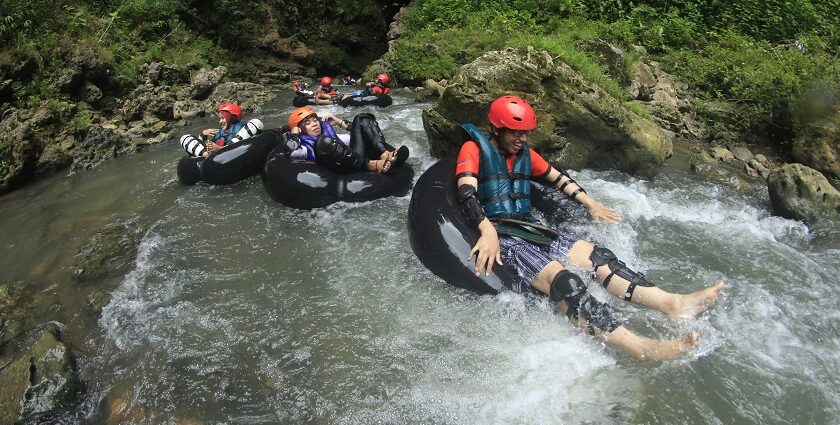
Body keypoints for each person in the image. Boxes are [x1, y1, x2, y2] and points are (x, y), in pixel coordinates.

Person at [455, 95, 725, 361]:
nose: (522, 139)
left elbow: (559, 179)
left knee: (599, 257)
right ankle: (640, 348)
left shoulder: (526, 154)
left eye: (526, 133)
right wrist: (487, 230)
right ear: (497, 129)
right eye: (516, 133)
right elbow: (466, 193)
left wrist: (591, 203)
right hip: (503, 236)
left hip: (529, 227)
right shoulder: (474, 150)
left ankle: (673, 304)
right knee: (565, 282)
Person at [284, 106, 409, 174]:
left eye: (315, 120)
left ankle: (384, 154)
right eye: (308, 123)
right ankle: (373, 165)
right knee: (325, 142)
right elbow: (293, 153)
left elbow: (355, 136)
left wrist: (340, 122)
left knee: (361, 118)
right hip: (339, 169)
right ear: (300, 129)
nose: (314, 124)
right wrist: (294, 134)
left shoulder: (331, 134)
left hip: (355, 161)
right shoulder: (304, 147)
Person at [179, 103, 263, 157]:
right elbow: (201, 144)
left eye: (222, 118)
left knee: (256, 122)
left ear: (232, 117)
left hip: (235, 152)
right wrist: (203, 135)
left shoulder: (242, 127)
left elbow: (257, 129)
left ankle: (223, 148)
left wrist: (220, 148)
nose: (220, 122)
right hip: (213, 157)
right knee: (184, 137)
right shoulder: (219, 133)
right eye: (219, 119)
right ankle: (206, 155)